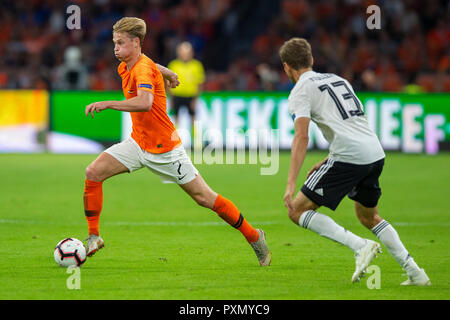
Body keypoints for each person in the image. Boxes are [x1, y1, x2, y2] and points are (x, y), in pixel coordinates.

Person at [82, 17, 270, 267]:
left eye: (120, 43)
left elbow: (144, 102)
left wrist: (107, 103)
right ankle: (94, 236)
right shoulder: (131, 64)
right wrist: (168, 72)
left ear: (136, 42)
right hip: (138, 144)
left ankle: (254, 236)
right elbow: (150, 63)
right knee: (93, 172)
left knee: (205, 198)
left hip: (166, 151)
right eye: (114, 43)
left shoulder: (141, 69)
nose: (115, 48)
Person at [279, 37, 430, 286]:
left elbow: (301, 136)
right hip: (374, 153)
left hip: (349, 156)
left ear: (286, 67)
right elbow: (354, 123)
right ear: (312, 60)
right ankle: (416, 272)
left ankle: (360, 246)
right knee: (369, 217)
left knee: (296, 210)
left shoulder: (299, 91)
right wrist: (329, 158)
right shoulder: (338, 80)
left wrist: (290, 184)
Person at [167, 42, 205, 136]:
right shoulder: (173, 65)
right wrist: (171, 98)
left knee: (193, 119)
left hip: (191, 96)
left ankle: (196, 141)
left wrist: (195, 99)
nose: (185, 55)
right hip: (177, 95)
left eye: (187, 53)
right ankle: (174, 142)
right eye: (182, 52)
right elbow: (168, 83)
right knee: (175, 119)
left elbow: (200, 83)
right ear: (178, 53)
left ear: (191, 53)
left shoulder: (196, 65)